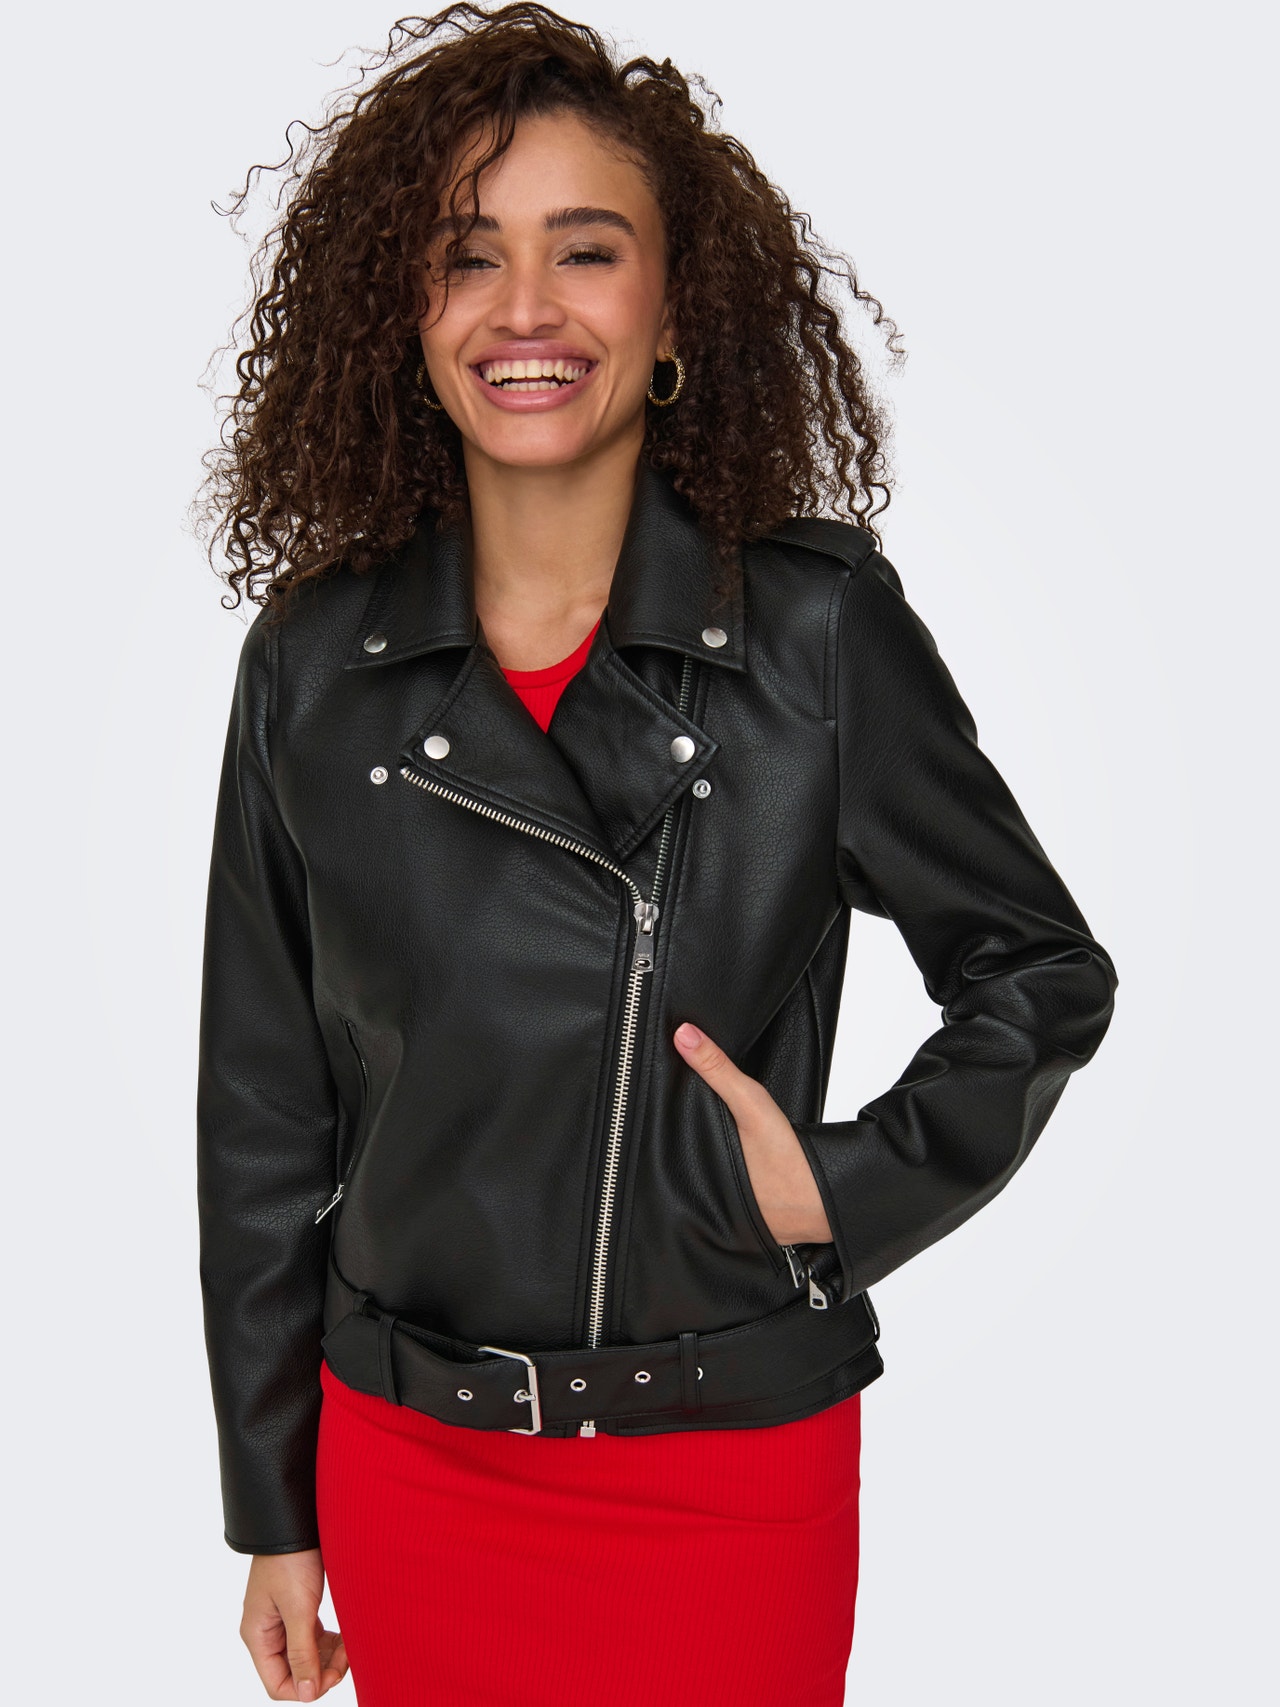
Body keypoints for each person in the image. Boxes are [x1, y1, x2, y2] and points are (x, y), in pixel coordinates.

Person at [194, 6, 1118, 1703]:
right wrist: (275, 1503)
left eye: (586, 251)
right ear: (406, 314)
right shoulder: (313, 663)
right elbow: (262, 1111)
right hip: (412, 1459)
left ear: (675, 306)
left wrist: (844, 1188)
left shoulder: (816, 636)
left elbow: (1040, 970)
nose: (524, 310)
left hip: (726, 1465)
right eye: (468, 256)